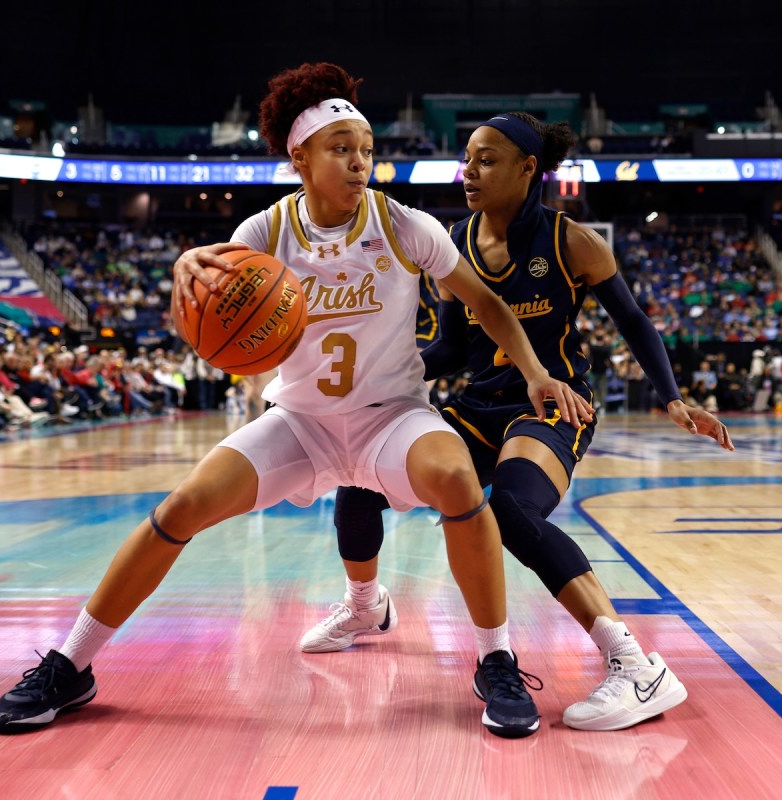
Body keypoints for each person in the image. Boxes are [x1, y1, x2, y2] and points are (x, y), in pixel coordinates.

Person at [0, 63, 591, 740]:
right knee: (179, 508)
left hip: (391, 418)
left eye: (366, 149)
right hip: (300, 424)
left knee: (457, 479)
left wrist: (536, 370)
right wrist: (185, 274)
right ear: (298, 156)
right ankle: (71, 665)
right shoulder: (263, 234)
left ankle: (497, 661)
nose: (359, 162)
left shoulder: (402, 223)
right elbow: (204, 302)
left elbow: (487, 305)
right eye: (341, 148)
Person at [305, 112, 733, 732]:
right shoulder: (452, 242)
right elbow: (450, 349)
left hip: (552, 407)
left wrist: (671, 398)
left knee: (511, 509)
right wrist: (366, 380)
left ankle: (636, 667)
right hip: (478, 407)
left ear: (529, 168)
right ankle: (366, 607)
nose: (468, 172)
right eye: (467, 159)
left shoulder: (574, 242)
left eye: (486, 159)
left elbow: (635, 321)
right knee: (359, 480)